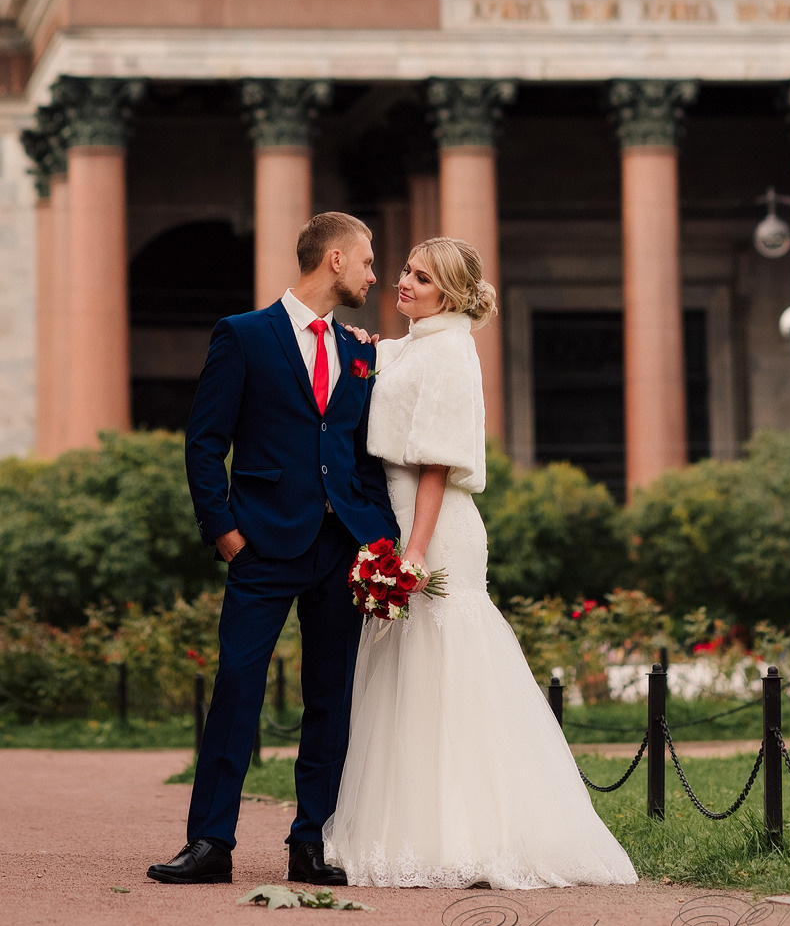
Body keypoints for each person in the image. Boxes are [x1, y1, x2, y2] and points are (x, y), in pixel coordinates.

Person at [323, 237, 637, 889]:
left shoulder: (449, 352)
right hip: (398, 514)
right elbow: (383, 365)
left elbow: (436, 463)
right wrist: (362, 345)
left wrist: (413, 551)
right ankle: (411, 829)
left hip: (434, 525)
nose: (403, 281)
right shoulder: (416, 345)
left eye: (421, 278)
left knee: (446, 667)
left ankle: (470, 834)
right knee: (406, 673)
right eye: (406, 270)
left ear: (450, 294)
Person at [147, 211, 399, 887]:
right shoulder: (244, 335)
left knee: (330, 699)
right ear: (335, 259)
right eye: (367, 261)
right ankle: (209, 843)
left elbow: (364, 456)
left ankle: (311, 842)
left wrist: (379, 537)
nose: (374, 275)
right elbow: (205, 443)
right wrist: (225, 531)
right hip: (261, 544)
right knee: (237, 687)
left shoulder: (359, 352)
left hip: (341, 549)